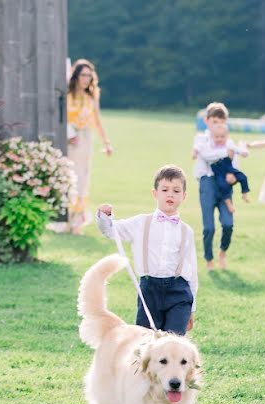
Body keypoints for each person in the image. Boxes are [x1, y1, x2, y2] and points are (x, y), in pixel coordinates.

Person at [95, 165, 197, 336]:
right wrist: (104, 217)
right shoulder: (141, 223)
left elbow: (192, 272)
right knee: (145, 340)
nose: (170, 194)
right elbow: (112, 231)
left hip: (179, 292)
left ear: (184, 196)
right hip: (150, 290)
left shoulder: (186, 231)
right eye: (165, 189)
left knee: (174, 342)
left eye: (176, 191)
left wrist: (192, 308)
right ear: (155, 193)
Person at [63, 59, 112, 235]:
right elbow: (61, 118)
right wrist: (69, 133)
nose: (86, 79)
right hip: (68, 141)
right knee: (69, 177)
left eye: (89, 76)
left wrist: (106, 142)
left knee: (82, 178)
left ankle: (77, 220)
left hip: (85, 140)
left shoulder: (92, 96)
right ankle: (65, 218)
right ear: (76, 76)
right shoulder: (67, 95)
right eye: (83, 75)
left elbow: (97, 121)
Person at [192, 102, 240, 270]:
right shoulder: (201, 139)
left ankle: (223, 251)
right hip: (207, 183)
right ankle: (208, 258)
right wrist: (225, 154)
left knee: (228, 223)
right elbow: (206, 155)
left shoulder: (229, 142)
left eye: (221, 122)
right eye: (214, 122)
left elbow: (235, 164)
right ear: (207, 121)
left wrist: (233, 176)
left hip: (224, 187)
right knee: (209, 227)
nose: (218, 126)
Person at [208, 124, 250, 214]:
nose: (219, 139)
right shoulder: (210, 146)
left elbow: (236, 149)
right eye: (217, 137)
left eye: (222, 137)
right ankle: (229, 204)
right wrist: (225, 153)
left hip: (228, 166)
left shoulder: (229, 144)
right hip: (218, 169)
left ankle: (245, 194)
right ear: (212, 137)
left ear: (227, 136)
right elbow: (209, 156)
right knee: (223, 185)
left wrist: (243, 152)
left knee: (243, 177)